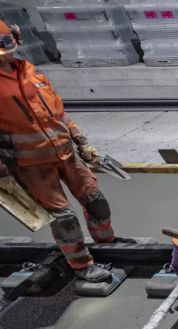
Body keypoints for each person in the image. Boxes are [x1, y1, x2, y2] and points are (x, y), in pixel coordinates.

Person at [0, 19, 132, 283]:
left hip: (66, 154)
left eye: (7, 47)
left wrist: (82, 141)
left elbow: (57, 114)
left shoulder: (30, 72)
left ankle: (106, 243)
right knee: (64, 218)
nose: (6, 56)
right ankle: (82, 265)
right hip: (31, 165)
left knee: (95, 200)